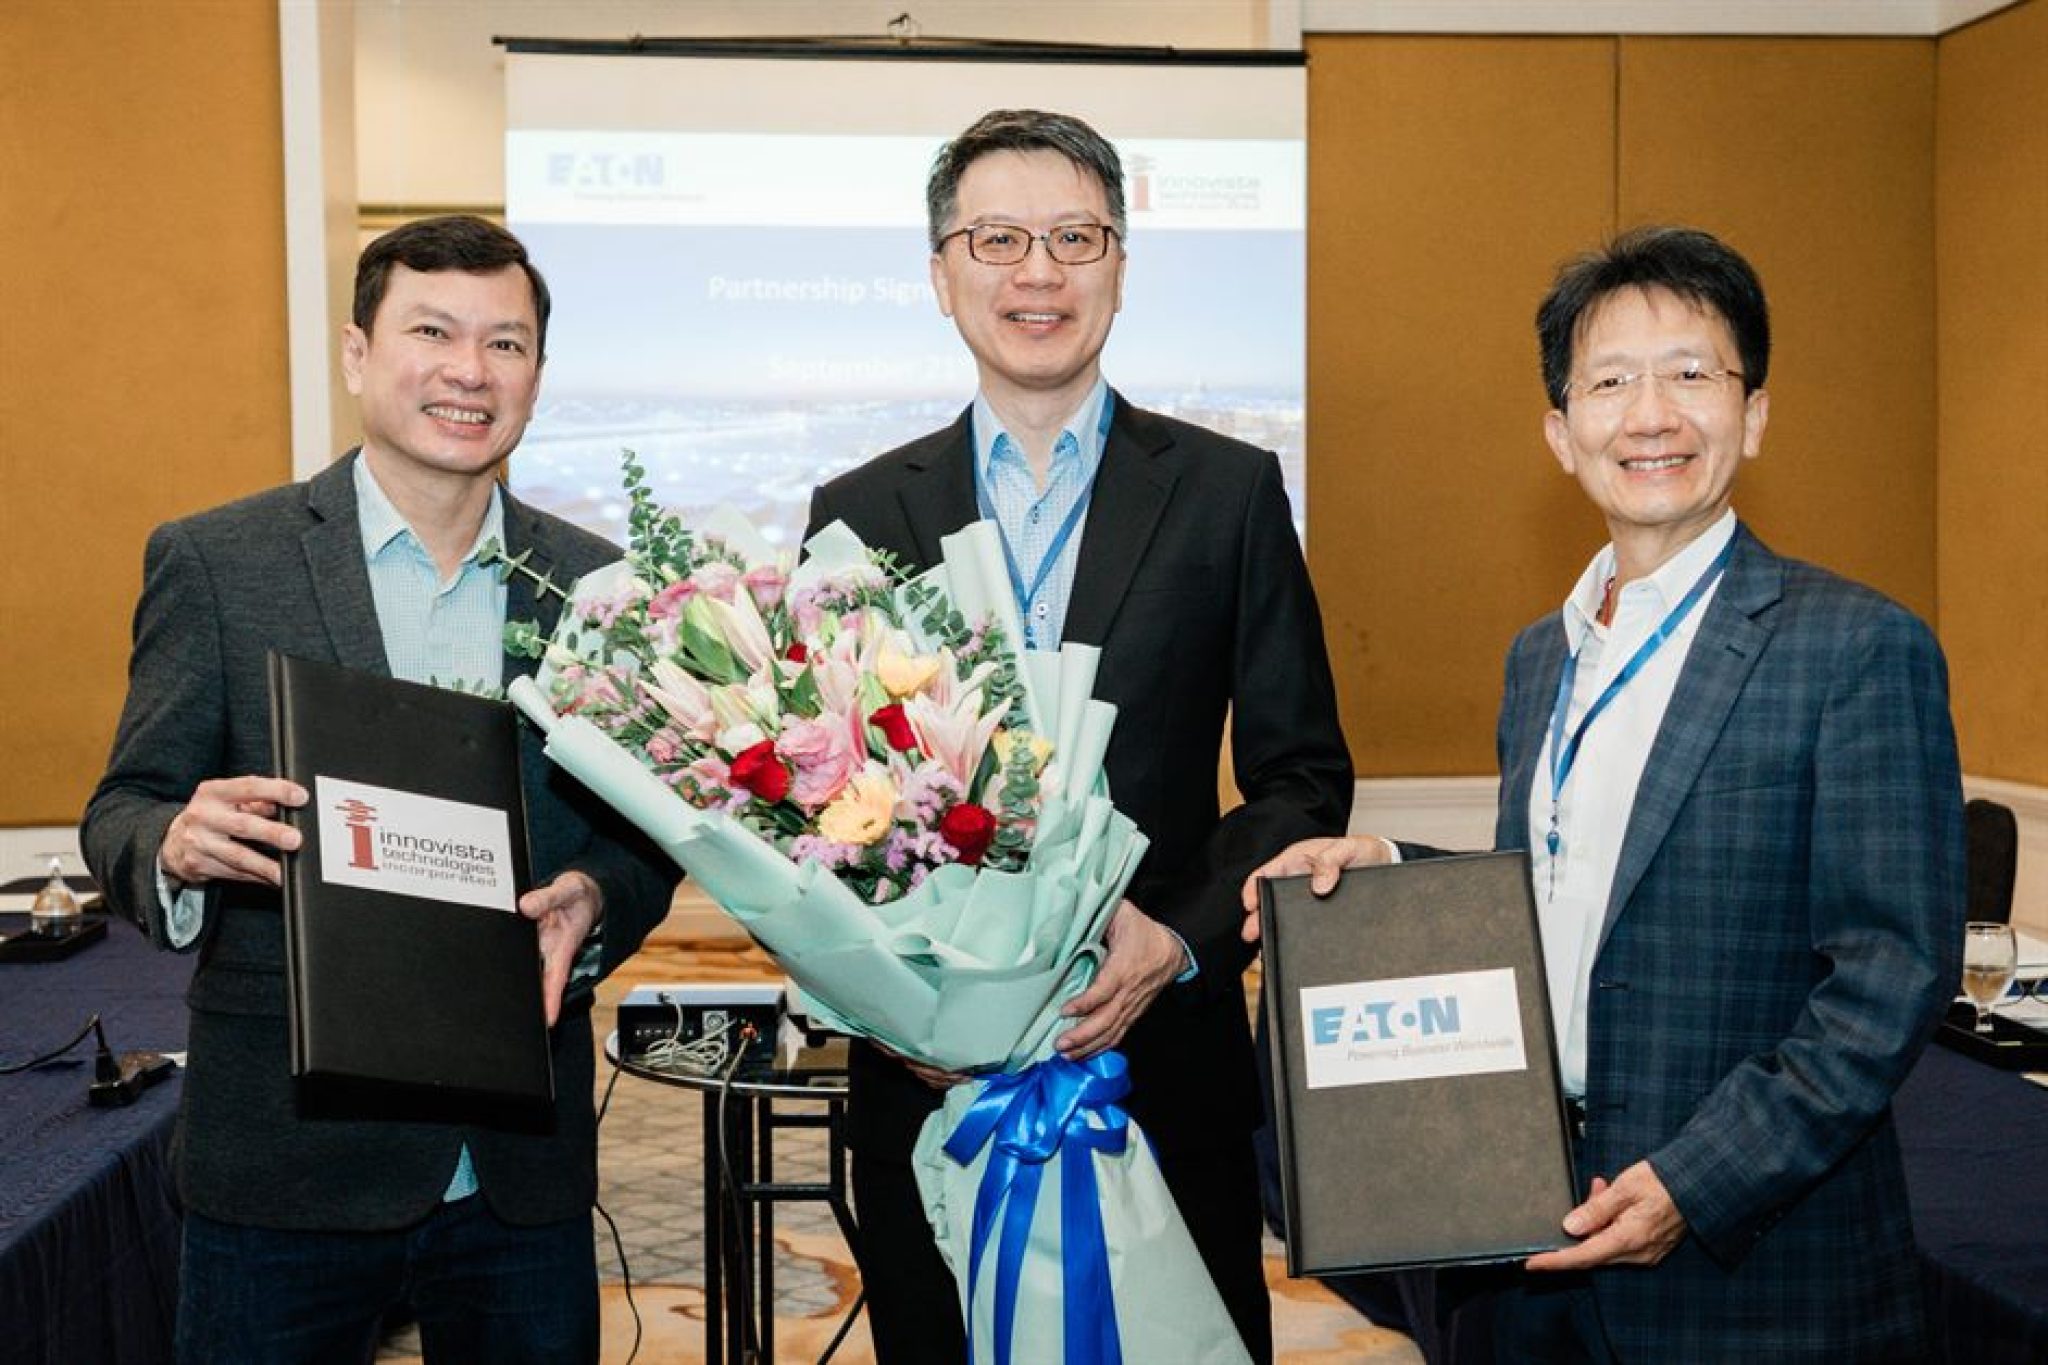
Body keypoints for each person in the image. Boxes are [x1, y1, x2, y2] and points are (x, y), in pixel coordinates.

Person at [1243, 226, 1964, 1363]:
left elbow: (1887, 979)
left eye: (1690, 373)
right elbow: (1559, 905)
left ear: (1754, 412)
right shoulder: (1542, 656)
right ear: (1558, 431)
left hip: (1748, 1269)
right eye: (1610, 381)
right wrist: (1390, 872)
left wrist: (1691, 1181)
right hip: (1525, 1237)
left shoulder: (1855, 646)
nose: (1650, 414)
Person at [806, 108, 1353, 1363]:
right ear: (941, 274)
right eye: (996, 239)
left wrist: (1178, 938)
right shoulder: (858, 513)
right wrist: (904, 1005)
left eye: (1073, 236)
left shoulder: (1226, 491)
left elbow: (1299, 776)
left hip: (1161, 1060)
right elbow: (812, 805)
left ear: (1118, 265)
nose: (1036, 271)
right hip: (928, 1079)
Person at [82, 215, 677, 1365]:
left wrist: (597, 899)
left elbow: (644, 843)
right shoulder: (219, 563)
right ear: (358, 354)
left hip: (518, 1171)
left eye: (505, 344)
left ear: (537, 376)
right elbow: (123, 806)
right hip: (286, 1163)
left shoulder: (600, 588)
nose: (469, 370)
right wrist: (174, 842)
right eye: (432, 332)